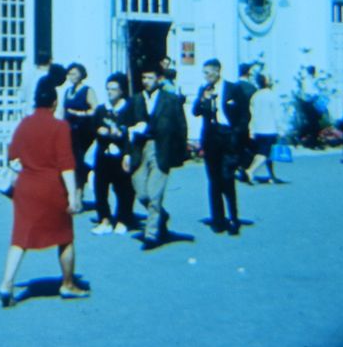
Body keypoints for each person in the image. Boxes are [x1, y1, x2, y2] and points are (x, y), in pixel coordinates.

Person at [0, 64, 86, 306]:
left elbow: (12, 155)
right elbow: (67, 165)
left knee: (20, 238)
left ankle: (7, 283)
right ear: (55, 103)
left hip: (26, 188)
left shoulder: (24, 124)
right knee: (64, 236)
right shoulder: (60, 127)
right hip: (51, 188)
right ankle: (67, 283)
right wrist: (73, 196)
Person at [126, 68, 189, 250]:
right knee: (142, 193)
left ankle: (151, 234)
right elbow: (126, 125)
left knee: (155, 193)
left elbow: (181, 126)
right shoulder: (136, 100)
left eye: (150, 77)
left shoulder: (170, 100)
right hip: (140, 148)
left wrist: (179, 153)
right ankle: (161, 215)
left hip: (161, 149)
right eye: (143, 77)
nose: (146, 80)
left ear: (159, 79)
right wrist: (126, 153)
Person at [193, 58, 250, 235]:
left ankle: (233, 218)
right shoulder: (204, 90)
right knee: (214, 180)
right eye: (204, 73)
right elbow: (195, 111)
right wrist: (203, 100)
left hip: (228, 137)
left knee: (227, 178)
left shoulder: (233, 89)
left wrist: (237, 135)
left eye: (209, 73)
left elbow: (244, 115)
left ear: (218, 72)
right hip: (211, 139)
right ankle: (218, 219)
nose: (206, 77)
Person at [89, 72, 137, 234]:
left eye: (114, 89)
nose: (110, 92)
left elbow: (131, 133)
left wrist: (126, 150)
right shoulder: (102, 109)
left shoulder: (128, 109)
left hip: (121, 155)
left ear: (122, 91)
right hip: (103, 154)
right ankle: (104, 219)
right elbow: (94, 128)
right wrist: (99, 131)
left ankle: (124, 219)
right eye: (108, 89)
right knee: (100, 188)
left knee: (123, 188)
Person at [61, 63, 97, 197]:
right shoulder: (67, 92)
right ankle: (70, 193)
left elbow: (95, 109)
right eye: (70, 74)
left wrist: (80, 113)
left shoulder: (87, 90)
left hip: (83, 132)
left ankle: (79, 194)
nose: (72, 77)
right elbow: (62, 111)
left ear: (82, 74)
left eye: (75, 73)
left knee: (80, 164)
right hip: (69, 132)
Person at [243, 72, 286, 185]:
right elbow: (277, 115)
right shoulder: (272, 95)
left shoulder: (255, 96)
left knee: (268, 153)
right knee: (264, 154)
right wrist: (281, 129)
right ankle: (250, 171)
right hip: (270, 129)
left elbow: (252, 114)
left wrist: (251, 130)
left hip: (258, 129)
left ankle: (272, 175)